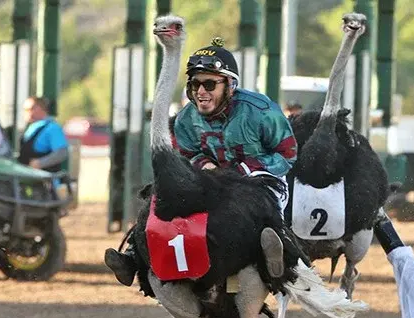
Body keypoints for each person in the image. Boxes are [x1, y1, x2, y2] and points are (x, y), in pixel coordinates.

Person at [105, 37, 296, 287]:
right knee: (160, 193)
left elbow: (288, 154)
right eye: (195, 85)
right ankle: (133, 255)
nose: (201, 92)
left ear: (230, 85)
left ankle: (281, 256)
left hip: (259, 178)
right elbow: (184, 154)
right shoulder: (185, 118)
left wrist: (245, 170)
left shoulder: (261, 110)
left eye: (209, 84)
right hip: (210, 179)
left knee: (261, 203)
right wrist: (202, 164)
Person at [18, 96, 69, 173]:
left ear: (41, 108)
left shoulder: (52, 128)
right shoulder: (31, 127)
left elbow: (62, 152)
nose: (26, 112)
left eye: (30, 109)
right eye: (25, 110)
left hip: (45, 180)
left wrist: (40, 163)